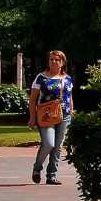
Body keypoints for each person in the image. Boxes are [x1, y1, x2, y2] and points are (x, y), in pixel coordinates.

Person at [29, 49, 75, 185]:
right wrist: (32, 118)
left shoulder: (67, 79)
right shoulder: (41, 78)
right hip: (46, 116)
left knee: (58, 146)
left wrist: (72, 114)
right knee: (49, 143)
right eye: (51, 59)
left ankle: (52, 175)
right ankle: (37, 168)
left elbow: (69, 98)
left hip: (64, 115)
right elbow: (32, 99)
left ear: (63, 62)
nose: (54, 62)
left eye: (57, 60)